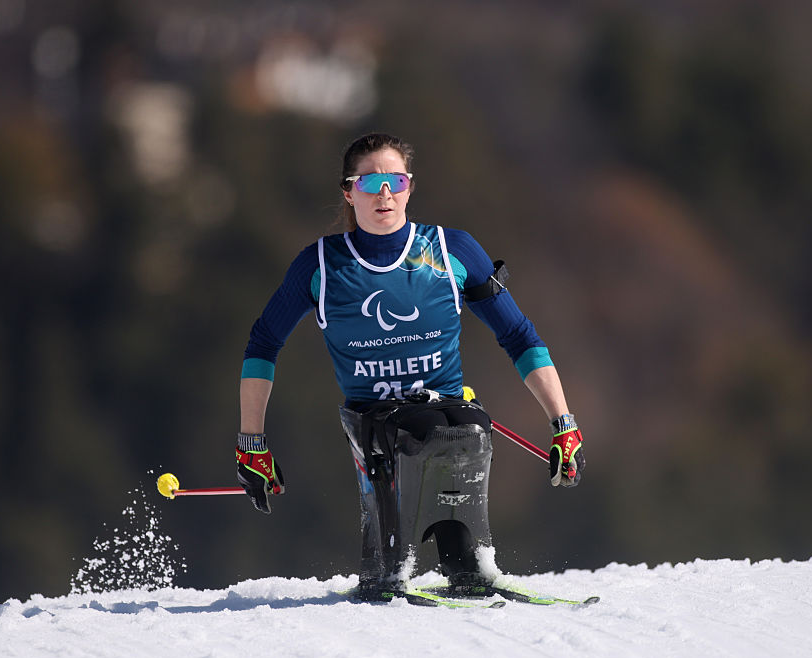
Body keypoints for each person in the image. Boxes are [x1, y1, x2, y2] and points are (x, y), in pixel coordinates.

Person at [236, 132, 586, 600]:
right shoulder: (320, 265)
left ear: (409, 187)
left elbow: (519, 335)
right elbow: (263, 344)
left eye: (395, 180)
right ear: (348, 191)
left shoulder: (452, 252)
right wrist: (251, 443)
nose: (384, 193)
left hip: (445, 406)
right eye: (370, 181)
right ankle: (387, 566)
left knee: (464, 426)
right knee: (428, 435)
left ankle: (469, 564)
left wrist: (563, 423)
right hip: (373, 419)